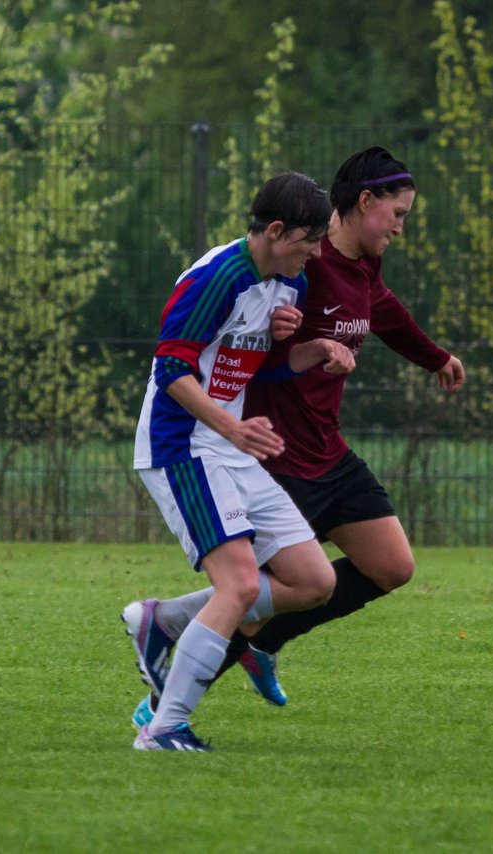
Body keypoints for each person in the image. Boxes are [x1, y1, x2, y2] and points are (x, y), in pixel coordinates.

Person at [123, 147, 465, 725]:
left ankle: (246, 644)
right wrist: (246, 406)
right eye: (398, 213)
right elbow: (206, 356)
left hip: (326, 449)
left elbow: (376, 313)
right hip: (270, 451)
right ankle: (163, 713)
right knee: (246, 594)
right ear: (364, 202)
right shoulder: (291, 262)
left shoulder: (344, 268)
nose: (403, 227)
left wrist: (433, 358)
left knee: (388, 566)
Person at [125, 170, 356, 751]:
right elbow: (171, 369)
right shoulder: (217, 277)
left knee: (313, 580)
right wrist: (232, 426)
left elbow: (265, 366)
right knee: (240, 586)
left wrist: (314, 351)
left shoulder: (288, 285)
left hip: (230, 446)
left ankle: (166, 621)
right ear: (276, 231)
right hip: (183, 446)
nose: (315, 252)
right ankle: (164, 728)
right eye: (308, 240)